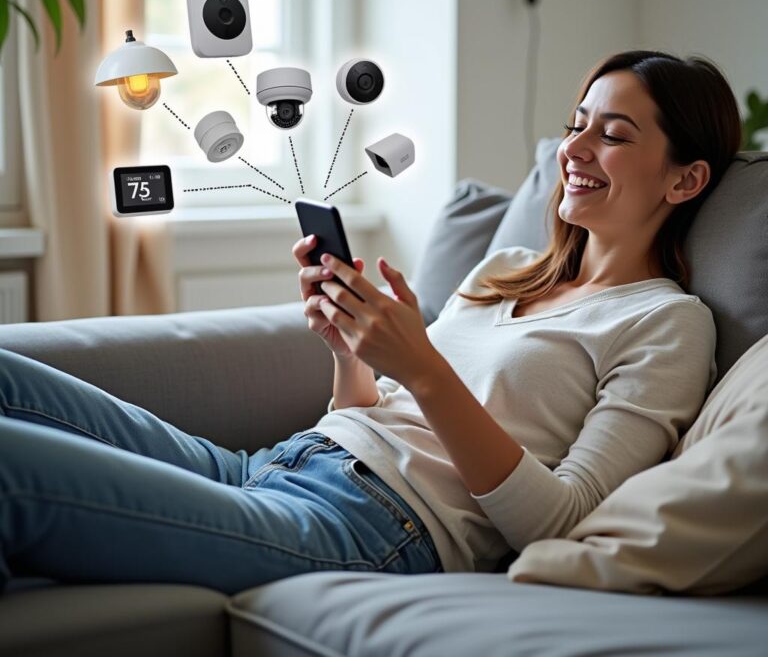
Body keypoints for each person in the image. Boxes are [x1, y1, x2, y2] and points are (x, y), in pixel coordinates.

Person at [0, 49, 741, 595]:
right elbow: (380, 416)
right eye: (577, 126)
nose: (574, 150)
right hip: (279, 463)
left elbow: (560, 523)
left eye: (612, 135)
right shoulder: (504, 268)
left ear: (686, 178)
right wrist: (349, 354)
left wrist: (422, 365)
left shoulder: (667, 324)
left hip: (370, 527)